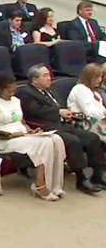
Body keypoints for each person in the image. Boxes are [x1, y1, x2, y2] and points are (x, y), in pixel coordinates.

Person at [21, 64, 105, 194]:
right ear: (34, 79)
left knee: (92, 138)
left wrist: (66, 114)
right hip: (45, 128)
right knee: (73, 141)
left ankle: (98, 175)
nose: (49, 78)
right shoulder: (27, 93)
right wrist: (59, 112)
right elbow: (36, 111)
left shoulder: (48, 91)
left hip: (61, 124)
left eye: (49, 75)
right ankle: (81, 179)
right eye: (45, 76)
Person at [0, 74, 66, 200]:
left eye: (13, 90)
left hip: (24, 136)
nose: (12, 93)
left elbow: (21, 121)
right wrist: (13, 135)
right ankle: (41, 186)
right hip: (6, 140)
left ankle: (55, 186)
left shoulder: (16, 101)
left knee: (56, 139)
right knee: (45, 143)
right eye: (9, 91)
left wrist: (31, 131)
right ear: (0, 90)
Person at [68, 63, 106, 139]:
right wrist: (103, 113)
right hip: (84, 125)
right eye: (97, 77)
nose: (100, 80)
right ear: (89, 77)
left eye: (101, 76)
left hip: (99, 123)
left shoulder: (96, 93)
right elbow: (89, 112)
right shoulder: (80, 89)